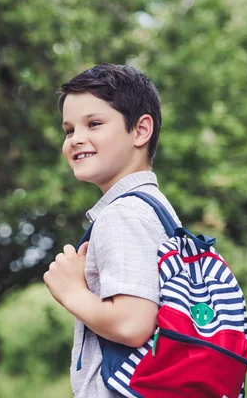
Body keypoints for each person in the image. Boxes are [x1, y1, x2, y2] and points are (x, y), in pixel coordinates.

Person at [43, 63, 181, 397]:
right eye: (69, 130)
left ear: (140, 130)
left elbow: (132, 324)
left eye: (94, 123)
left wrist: (72, 292)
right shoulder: (155, 209)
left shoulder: (123, 215)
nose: (76, 139)